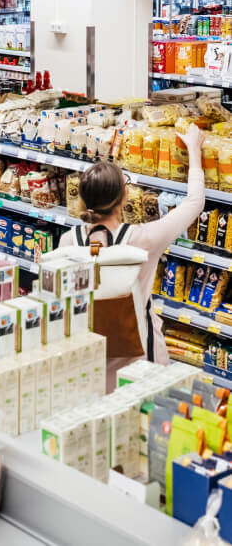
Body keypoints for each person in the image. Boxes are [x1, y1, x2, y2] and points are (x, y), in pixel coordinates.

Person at [59, 123, 205, 385]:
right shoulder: (142, 239)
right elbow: (195, 202)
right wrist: (194, 150)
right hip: (141, 354)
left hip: (91, 355)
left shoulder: (68, 242)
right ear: (124, 198)